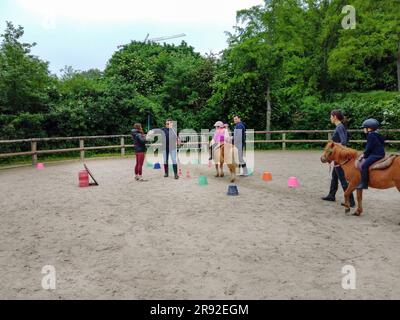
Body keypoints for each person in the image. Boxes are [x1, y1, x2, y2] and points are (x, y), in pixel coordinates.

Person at [322, 110, 355, 207]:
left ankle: (351, 200)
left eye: (331, 116)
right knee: (334, 176)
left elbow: (344, 142)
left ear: (335, 117)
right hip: (338, 157)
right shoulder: (341, 127)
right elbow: (349, 136)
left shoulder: (339, 127)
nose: (330, 118)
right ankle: (331, 195)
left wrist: (333, 148)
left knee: (343, 179)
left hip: (339, 157)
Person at [357, 119, 385, 189]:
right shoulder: (377, 134)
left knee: (364, 165)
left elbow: (368, 148)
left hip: (376, 154)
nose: (363, 129)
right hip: (380, 153)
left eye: (364, 128)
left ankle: (364, 183)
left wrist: (364, 155)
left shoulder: (370, 135)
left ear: (369, 128)